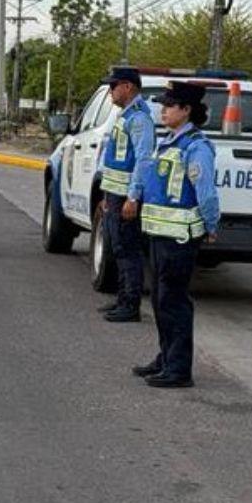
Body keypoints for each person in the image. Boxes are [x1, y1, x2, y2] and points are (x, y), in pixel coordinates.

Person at [131, 81, 220, 389]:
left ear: (186, 110)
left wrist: (211, 225)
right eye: (163, 104)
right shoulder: (168, 142)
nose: (163, 110)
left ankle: (179, 368)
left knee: (174, 302)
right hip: (160, 235)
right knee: (159, 298)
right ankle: (166, 357)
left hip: (179, 238)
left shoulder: (196, 147)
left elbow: (206, 193)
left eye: (169, 105)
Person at [96, 66, 156, 323]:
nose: (110, 91)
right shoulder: (125, 116)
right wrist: (106, 194)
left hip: (125, 197)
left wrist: (133, 197)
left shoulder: (139, 119)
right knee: (118, 248)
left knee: (128, 250)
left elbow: (143, 160)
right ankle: (122, 298)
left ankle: (130, 305)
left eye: (113, 86)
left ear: (128, 87)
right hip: (114, 193)